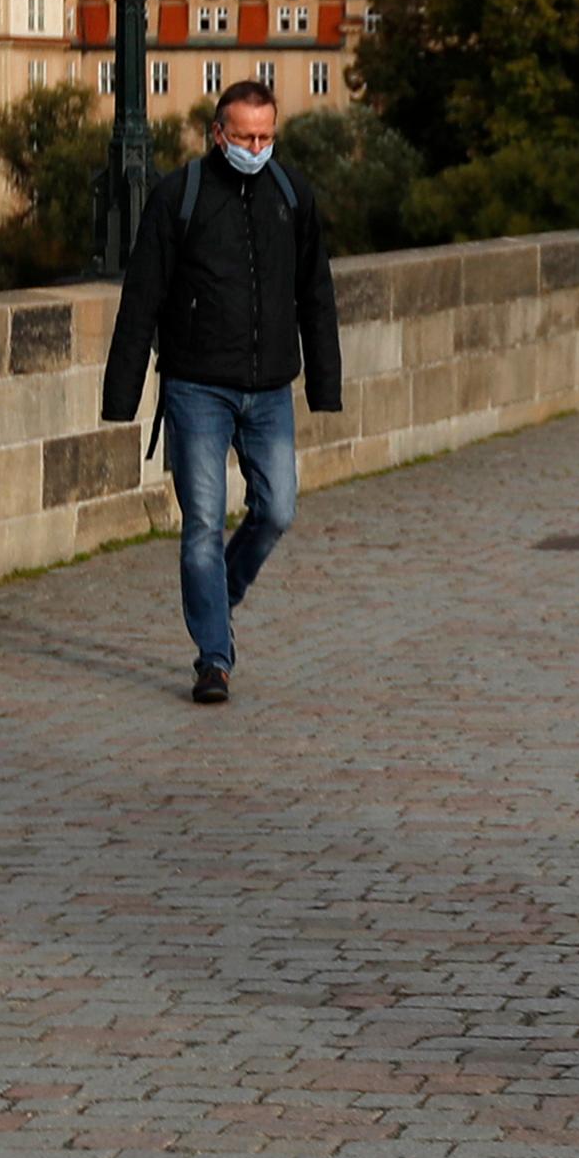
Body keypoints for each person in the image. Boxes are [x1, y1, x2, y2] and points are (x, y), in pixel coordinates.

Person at [101, 79, 344, 707]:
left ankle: (218, 596)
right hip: (196, 387)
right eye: (244, 137)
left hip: (269, 390)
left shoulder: (293, 196)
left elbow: (316, 295)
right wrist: (121, 395)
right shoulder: (178, 196)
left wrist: (324, 384)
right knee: (203, 522)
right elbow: (141, 297)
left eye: (266, 137)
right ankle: (214, 658)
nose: (256, 147)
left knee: (278, 511)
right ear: (219, 134)